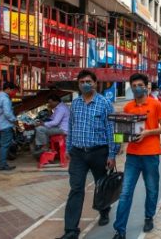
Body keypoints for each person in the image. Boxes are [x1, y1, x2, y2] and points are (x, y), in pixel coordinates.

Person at [60, 70, 119, 239]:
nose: (86, 84)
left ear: (95, 83)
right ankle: (71, 230)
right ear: (78, 84)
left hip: (99, 152)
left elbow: (112, 130)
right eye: (82, 82)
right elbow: (71, 127)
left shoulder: (105, 103)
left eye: (89, 81)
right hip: (78, 154)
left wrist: (112, 154)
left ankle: (104, 210)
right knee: (76, 189)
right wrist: (68, 149)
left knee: (102, 185)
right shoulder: (75, 104)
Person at [113, 74, 161, 239]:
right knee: (125, 193)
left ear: (146, 86)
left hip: (151, 154)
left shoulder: (156, 104)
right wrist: (120, 144)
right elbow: (124, 130)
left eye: (140, 85)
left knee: (151, 188)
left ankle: (149, 216)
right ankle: (120, 230)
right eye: (134, 85)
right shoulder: (128, 107)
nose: (137, 88)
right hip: (133, 156)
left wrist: (148, 132)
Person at [0, 82, 18, 171]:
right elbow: (7, 113)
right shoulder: (5, 99)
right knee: (4, 146)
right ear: (9, 88)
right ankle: (3, 165)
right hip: (5, 125)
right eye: (13, 90)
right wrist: (14, 120)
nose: (14, 92)